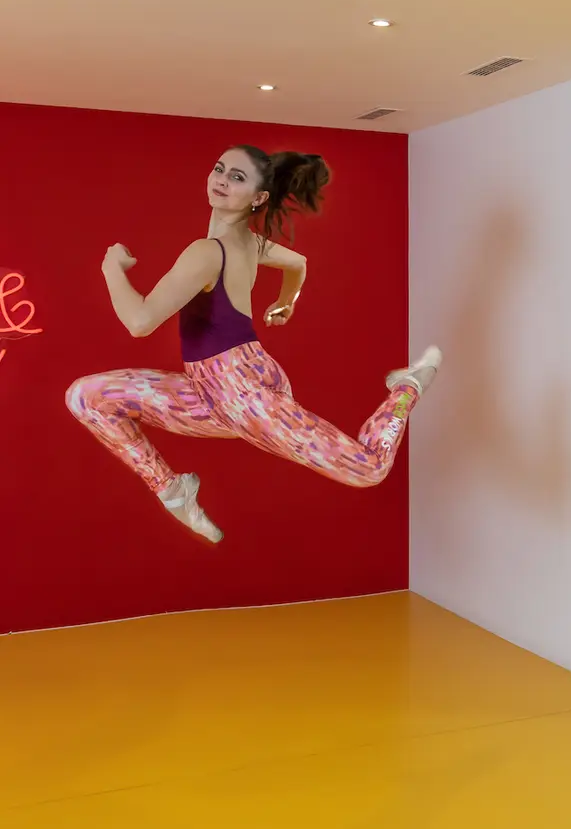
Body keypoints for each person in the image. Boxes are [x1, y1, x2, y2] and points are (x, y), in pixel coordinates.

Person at [66, 146, 440, 543]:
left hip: (244, 393)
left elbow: (140, 322)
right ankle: (173, 491)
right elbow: (299, 264)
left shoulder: (207, 251)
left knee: (368, 469)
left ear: (259, 197)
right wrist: (286, 302)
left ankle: (405, 388)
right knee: (85, 396)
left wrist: (110, 268)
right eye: (219, 169)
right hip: (208, 390)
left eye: (237, 177)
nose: (221, 180)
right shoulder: (248, 243)